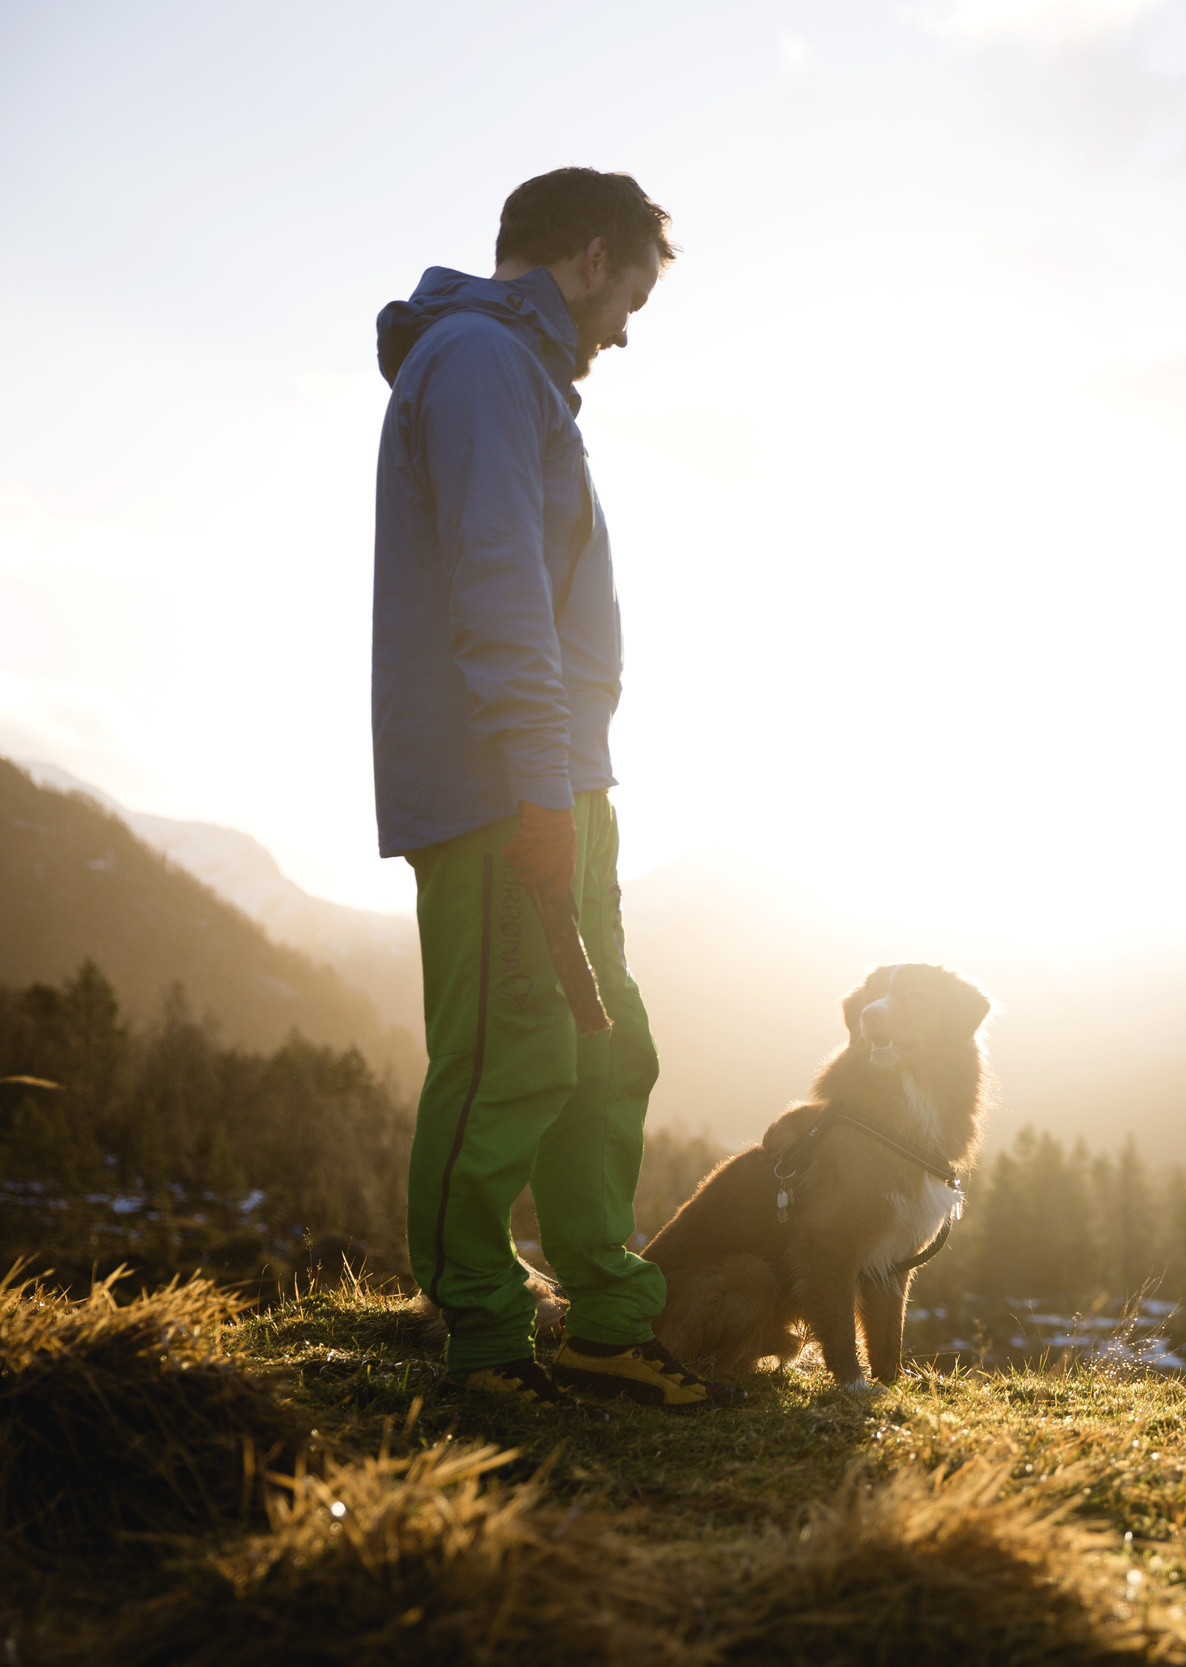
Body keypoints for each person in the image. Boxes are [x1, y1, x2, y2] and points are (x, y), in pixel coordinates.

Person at [372, 167, 725, 1413]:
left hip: (560, 783)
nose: (626, 327)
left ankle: (604, 1319)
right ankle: (478, 1336)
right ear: (586, 256)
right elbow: (497, 582)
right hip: (497, 791)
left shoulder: (519, 377)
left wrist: (568, 783)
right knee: (508, 1056)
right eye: (629, 293)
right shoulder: (475, 361)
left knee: (604, 1041)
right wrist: (533, 782)